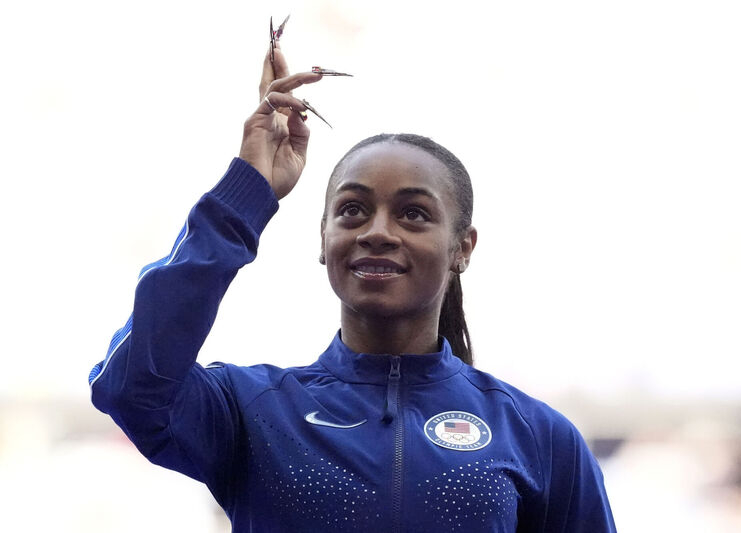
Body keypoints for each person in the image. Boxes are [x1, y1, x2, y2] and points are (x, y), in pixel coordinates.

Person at [89, 30, 616, 533]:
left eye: (413, 214)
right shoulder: (252, 410)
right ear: (324, 239)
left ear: (462, 247)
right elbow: (130, 387)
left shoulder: (540, 437)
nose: (377, 232)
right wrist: (245, 194)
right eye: (352, 210)